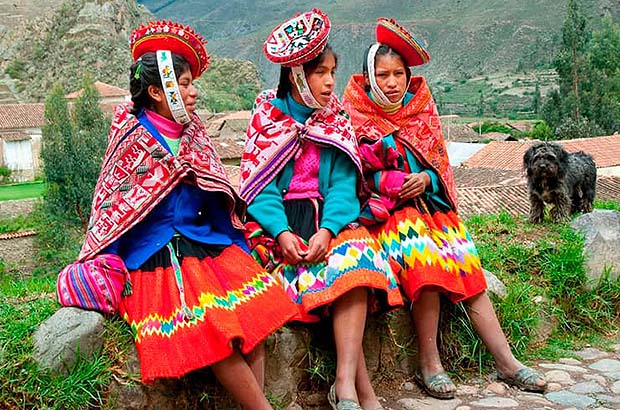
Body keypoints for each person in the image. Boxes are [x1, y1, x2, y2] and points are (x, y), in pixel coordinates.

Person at [76, 20, 298, 409]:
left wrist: (237, 242)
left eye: (193, 83)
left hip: (205, 240)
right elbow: (112, 205)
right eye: (183, 83)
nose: (193, 92)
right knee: (215, 328)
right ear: (156, 92)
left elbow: (217, 193)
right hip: (154, 254)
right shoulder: (132, 137)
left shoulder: (193, 131)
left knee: (257, 318)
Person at [342, 18, 547, 399]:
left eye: (398, 74)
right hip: (385, 215)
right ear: (368, 78)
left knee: (465, 263)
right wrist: (391, 184)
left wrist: (427, 180)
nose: (391, 82)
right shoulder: (352, 114)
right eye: (382, 75)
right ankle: (429, 362)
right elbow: (349, 175)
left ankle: (507, 361)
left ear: (407, 75)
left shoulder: (421, 107)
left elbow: (439, 163)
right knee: (424, 259)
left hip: (430, 207)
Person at [239, 9, 403, 410]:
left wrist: (328, 231)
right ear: (297, 75)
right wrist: (281, 233)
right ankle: (360, 393)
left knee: (356, 259)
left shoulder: (335, 120)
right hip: (280, 231)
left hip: (327, 223)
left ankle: (345, 385)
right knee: (320, 276)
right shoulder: (267, 119)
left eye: (333, 71)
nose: (331, 82)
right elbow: (259, 190)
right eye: (320, 73)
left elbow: (344, 187)